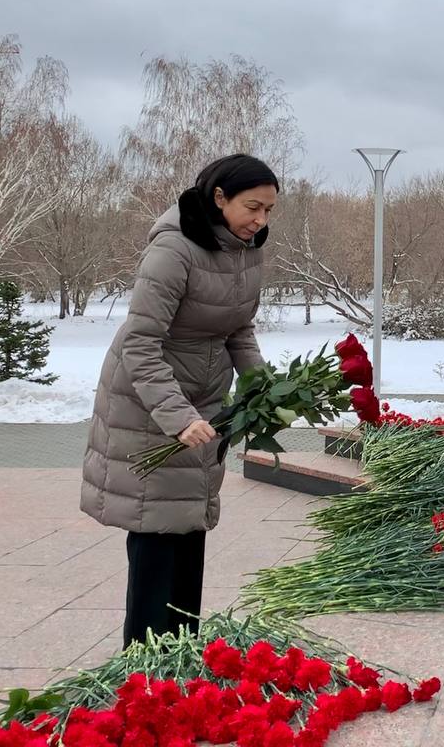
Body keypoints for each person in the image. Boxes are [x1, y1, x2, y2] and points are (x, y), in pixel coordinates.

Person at [80, 154, 278, 647]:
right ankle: (141, 671)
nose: (260, 220)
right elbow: (140, 344)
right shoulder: (173, 250)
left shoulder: (245, 249)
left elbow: (238, 328)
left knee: (189, 525)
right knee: (156, 533)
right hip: (151, 402)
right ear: (219, 198)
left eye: (269, 210)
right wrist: (176, 416)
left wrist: (264, 388)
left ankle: (182, 656)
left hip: (206, 402)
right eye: (252, 207)